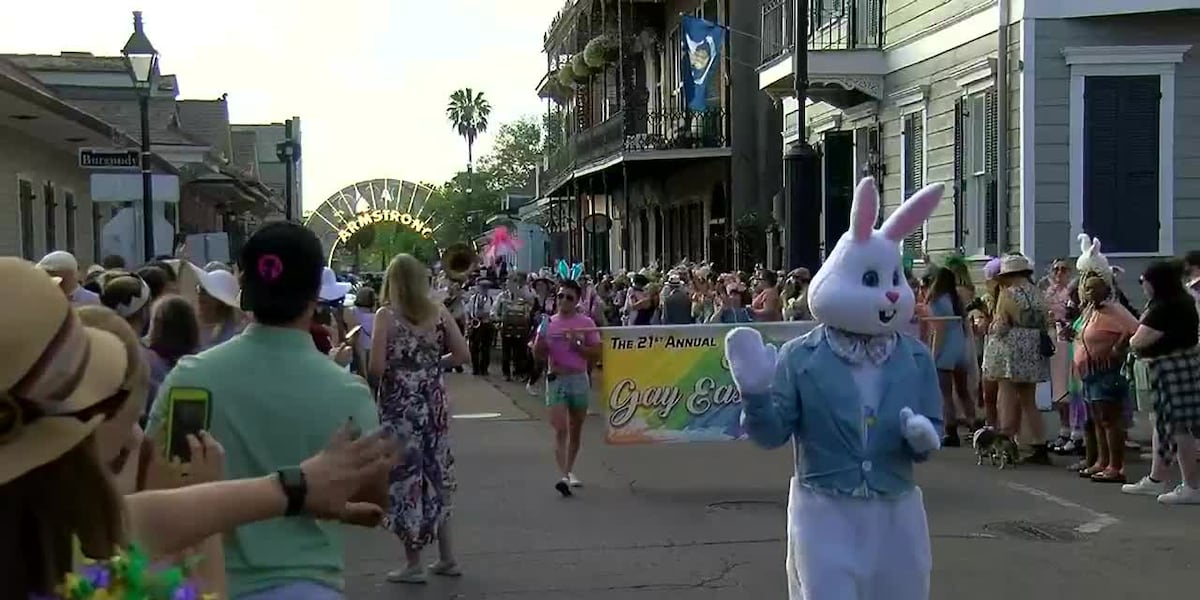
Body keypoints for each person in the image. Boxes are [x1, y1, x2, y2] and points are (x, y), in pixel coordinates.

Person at [0, 258, 398, 599]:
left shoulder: (45, 533)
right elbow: (184, 572)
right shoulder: (88, 571)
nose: (136, 440)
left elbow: (137, 518)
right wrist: (210, 529)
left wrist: (290, 490)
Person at [725, 178, 944, 600]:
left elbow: (930, 431)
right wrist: (754, 393)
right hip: (824, 508)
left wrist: (923, 436)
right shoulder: (801, 356)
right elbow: (772, 435)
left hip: (895, 511)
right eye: (871, 278)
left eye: (895, 277)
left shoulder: (914, 357)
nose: (891, 291)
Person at [148, 222, 390, 599]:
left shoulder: (191, 379)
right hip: (309, 586)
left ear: (243, 289)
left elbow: (157, 485)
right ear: (315, 295)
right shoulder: (349, 393)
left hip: (204, 584)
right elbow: (372, 503)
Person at [369, 254, 470, 583]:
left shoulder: (386, 316)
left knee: (406, 478)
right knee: (437, 474)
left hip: (401, 407)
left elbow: (377, 368)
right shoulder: (438, 313)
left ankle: (413, 562)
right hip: (434, 403)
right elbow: (462, 354)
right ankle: (447, 556)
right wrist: (430, 365)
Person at [1122, 259, 1200, 504]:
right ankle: (1157, 479)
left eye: (1144, 281)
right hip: (1178, 367)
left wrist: (1132, 342)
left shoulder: (1166, 306)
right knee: (1162, 424)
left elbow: (1139, 340)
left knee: (1179, 428)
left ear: (1157, 282)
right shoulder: (1182, 299)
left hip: (1172, 370)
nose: (1143, 285)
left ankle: (1191, 485)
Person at [982, 254, 1053, 465]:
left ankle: (1007, 440)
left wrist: (991, 328)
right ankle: (1039, 444)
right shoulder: (1038, 293)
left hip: (1010, 348)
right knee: (1029, 400)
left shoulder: (1007, 294)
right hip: (1033, 346)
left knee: (1006, 395)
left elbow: (1002, 326)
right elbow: (1047, 320)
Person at [532, 278, 601, 497]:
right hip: (557, 379)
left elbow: (597, 353)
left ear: (577, 300)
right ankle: (563, 475)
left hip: (579, 378)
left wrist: (577, 346)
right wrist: (540, 343)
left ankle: (569, 470)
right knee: (560, 428)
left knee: (575, 428)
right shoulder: (549, 323)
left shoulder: (586, 323)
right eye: (560, 296)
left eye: (569, 297)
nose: (563, 300)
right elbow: (538, 354)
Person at [925, 265, 977, 446]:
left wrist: (934, 354)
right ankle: (975, 426)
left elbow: (940, 330)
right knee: (963, 390)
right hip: (960, 347)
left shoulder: (936, 300)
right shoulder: (956, 299)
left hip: (945, 349)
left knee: (945, 393)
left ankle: (950, 430)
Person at [493, 273, 533, 382]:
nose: (512, 284)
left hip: (520, 329)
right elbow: (494, 311)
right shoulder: (502, 297)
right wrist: (498, 321)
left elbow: (529, 309)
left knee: (519, 352)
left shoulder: (524, 296)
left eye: (515, 282)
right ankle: (506, 373)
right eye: (510, 282)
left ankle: (518, 372)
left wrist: (526, 317)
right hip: (506, 328)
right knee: (506, 352)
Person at [465, 278, 496, 376]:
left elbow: (493, 312)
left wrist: (488, 315)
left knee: (485, 348)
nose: (484, 289)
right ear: (478, 287)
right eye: (482, 287)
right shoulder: (473, 298)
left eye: (486, 287)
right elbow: (467, 310)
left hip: (486, 325)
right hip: (475, 324)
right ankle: (475, 368)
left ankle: (484, 368)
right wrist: (469, 321)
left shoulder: (491, 299)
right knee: (474, 347)